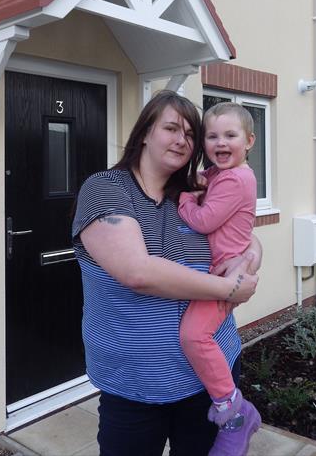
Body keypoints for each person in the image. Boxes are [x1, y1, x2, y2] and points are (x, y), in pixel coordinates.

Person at [72, 90, 261, 456]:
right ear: (144, 132)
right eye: (172, 128)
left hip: (208, 382)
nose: (182, 140)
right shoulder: (105, 189)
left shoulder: (193, 193)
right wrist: (227, 288)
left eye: (191, 134)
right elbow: (137, 271)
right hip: (135, 387)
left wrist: (248, 260)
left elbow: (247, 236)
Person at [177, 102, 262, 456]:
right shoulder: (220, 175)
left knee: (194, 335)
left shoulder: (236, 178)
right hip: (224, 270)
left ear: (250, 141)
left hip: (224, 275)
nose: (220, 142)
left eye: (230, 135)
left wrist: (183, 197)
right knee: (197, 334)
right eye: (212, 136)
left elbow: (204, 220)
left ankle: (233, 409)